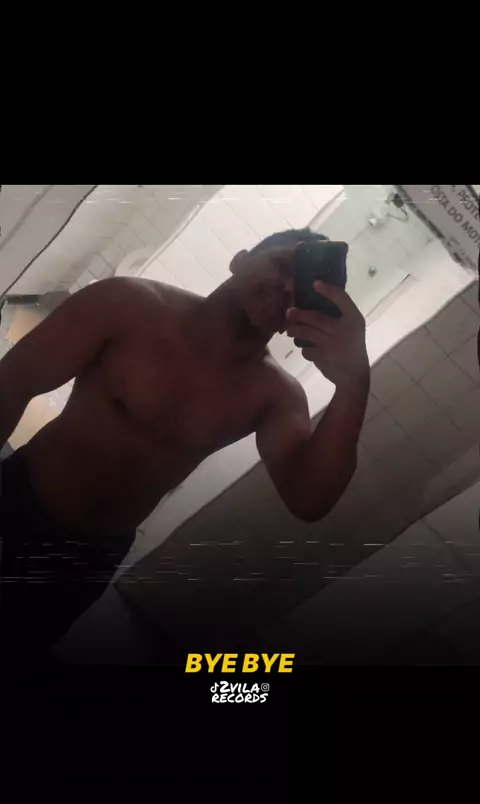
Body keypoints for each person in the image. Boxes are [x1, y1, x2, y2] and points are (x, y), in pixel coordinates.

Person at [0, 227, 370, 660]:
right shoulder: (127, 305)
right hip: (15, 503)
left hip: (86, 560)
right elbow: (12, 384)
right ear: (240, 259)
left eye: (302, 285)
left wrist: (353, 382)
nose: (287, 286)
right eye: (281, 264)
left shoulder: (275, 395)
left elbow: (309, 499)